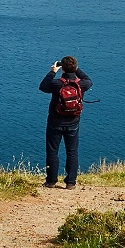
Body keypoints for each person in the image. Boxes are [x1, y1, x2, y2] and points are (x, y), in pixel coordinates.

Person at [39, 55, 91, 188]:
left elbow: (43, 86)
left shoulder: (57, 84)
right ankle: (70, 182)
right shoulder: (81, 84)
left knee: (52, 152)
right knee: (72, 152)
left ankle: (51, 181)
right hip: (73, 123)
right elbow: (88, 80)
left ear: (62, 69)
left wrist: (52, 71)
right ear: (75, 68)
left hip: (55, 123)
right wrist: (76, 70)